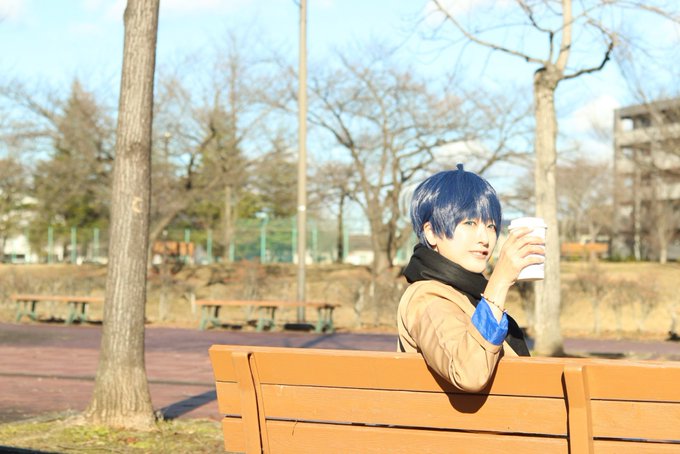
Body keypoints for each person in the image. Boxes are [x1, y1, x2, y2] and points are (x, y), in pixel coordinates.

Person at [397, 164, 544, 392]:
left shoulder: (467, 294)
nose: (484, 238)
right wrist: (499, 281)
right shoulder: (426, 297)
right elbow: (469, 374)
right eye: (469, 223)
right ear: (431, 232)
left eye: (491, 225)